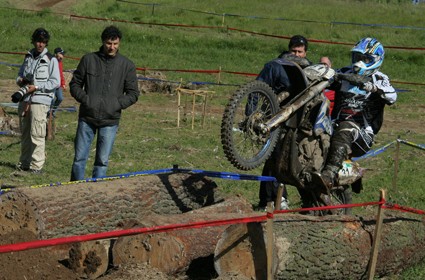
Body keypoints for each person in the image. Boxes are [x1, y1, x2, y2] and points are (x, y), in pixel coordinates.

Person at [312, 37, 397, 191]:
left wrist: (373, 88)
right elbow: (327, 78)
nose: (359, 62)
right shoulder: (345, 72)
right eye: (357, 57)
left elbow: (392, 96)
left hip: (363, 134)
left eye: (364, 59)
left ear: (375, 60)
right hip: (335, 126)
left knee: (346, 128)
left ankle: (328, 175)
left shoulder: (380, 78)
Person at [69, 25, 140, 181]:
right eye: (109, 43)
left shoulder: (127, 65)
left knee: (102, 162)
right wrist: (86, 99)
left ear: (119, 43)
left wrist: (115, 104)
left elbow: (133, 93)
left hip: (110, 120)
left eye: (115, 44)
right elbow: (74, 84)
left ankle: (96, 193)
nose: (112, 47)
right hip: (87, 118)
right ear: (103, 41)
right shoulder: (88, 60)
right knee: (79, 159)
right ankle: (74, 191)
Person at [257, 35, 312, 210]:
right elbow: (257, 87)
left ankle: (305, 199)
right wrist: (251, 115)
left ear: (305, 52)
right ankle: (276, 198)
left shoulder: (310, 68)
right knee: (275, 156)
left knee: (299, 159)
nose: (296, 54)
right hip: (276, 117)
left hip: (300, 120)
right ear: (289, 50)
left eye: (300, 51)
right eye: (293, 51)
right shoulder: (275, 65)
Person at [13, 27, 60, 174]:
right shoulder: (28, 57)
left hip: (41, 101)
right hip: (25, 100)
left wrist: (37, 87)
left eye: (44, 42)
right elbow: (19, 75)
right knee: (25, 133)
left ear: (46, 43)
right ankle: (24, 163)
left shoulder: (51, 59)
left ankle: (37, 166)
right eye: (38, 41)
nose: (40, 44)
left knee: (37, 133)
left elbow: (55, 82)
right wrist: (21, 81)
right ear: (33, 41)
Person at [49, 47, 66, 117]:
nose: (62, 55)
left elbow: (61, 73)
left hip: (58, 85)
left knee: (60, 98)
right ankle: (48, 113)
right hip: (52, 84)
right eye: (61, 54)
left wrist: (63, 83)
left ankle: (53, 112)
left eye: (63, 54)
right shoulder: (51, 61)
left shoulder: (60, 62)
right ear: (56, 54)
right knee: (51, 100)